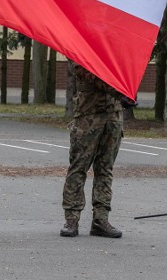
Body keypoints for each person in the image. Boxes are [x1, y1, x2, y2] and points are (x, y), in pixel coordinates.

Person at [60, 60, 124, 238]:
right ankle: (72, 219)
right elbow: (88, 73)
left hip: (113, 115)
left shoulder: (114, 50)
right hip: (88, 117)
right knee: (78, 168)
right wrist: (119, 91)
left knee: (105, 168)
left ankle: (100, 219)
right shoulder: (82, 47)